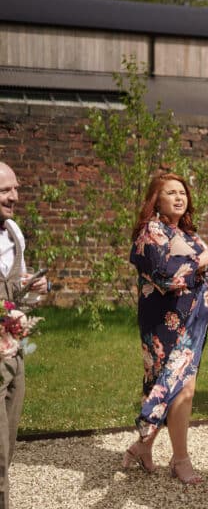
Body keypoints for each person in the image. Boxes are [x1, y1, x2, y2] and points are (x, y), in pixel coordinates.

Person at [124, 173, 208, 485]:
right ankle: (180, 460)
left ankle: (142, 447)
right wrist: (201, 263)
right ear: (157, 199)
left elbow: (201, 273)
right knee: (178, 388)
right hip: (162, 325)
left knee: (170, 387)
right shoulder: (150, 232)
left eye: (183, 192)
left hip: (190, 322)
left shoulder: (185, 232)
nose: (180, 197)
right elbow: (162, 276)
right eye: (171, 193)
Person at [0, 162, 49, 509]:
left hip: (13, 351)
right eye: (5, 190)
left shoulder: (14, 232)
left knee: (9, 442)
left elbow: (18, 291)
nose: (14, 197)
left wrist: (34, 287)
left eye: (15, 188)